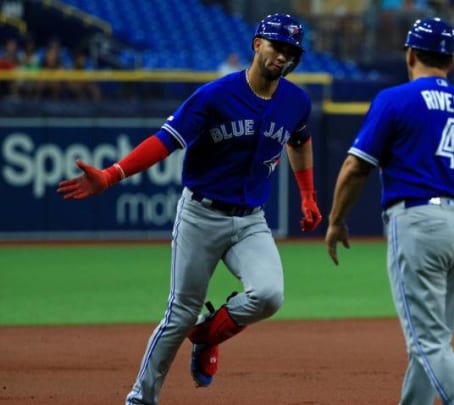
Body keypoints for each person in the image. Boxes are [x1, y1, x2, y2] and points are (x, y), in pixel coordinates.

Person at [56, 13, 322, 405]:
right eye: (276, 46)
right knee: (180, 312)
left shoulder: (297, 101)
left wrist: (308, 195)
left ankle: (205, 337)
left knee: (269, 295)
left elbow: (300, 142)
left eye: (291, 51)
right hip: (201, 215)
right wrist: (112, 175)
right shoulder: (215, 95)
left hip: (250, 221)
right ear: (256, 44)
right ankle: (140, 398)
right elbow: (165, 141)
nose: (283, 56)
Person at [325, 17, 454, 405]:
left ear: (410, 54)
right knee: (433, 341)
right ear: (451, 61)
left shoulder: (396, 99)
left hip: (419, 224)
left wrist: (335, 221)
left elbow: (355, 167)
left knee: (430, 345)